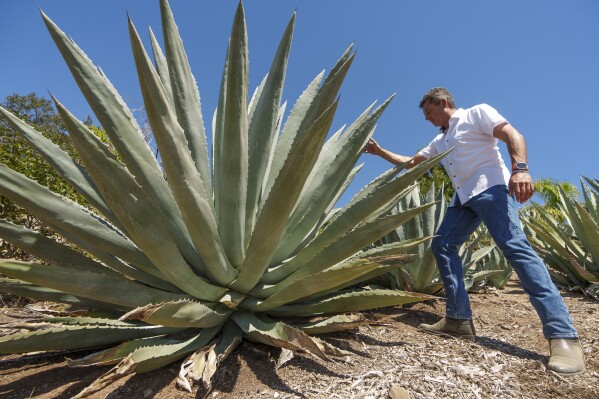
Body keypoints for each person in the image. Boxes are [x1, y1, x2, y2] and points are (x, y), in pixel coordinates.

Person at [363, 87, 585, 375]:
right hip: (463, 199)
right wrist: (380, 151)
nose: (427, 118)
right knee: (441, 245)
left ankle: (563, 335)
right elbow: (410, 163)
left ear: (443, 102)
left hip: (492, 189)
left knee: (515, 249)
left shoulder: (476, 113)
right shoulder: (439, 140)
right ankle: (458, 320)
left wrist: (520, 169)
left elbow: (512, 134)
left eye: (429, 112)